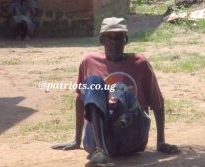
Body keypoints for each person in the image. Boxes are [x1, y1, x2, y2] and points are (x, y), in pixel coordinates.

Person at [51, 17, 180, 166]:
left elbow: (158, 103)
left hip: (131, 137)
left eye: (119, 38)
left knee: (125, 95)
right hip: (100, 136)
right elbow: (81, 100)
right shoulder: (88, 61)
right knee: (93, 82)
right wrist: (77, 140)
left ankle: (105, 147)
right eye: (109, 38)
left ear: (126, 40)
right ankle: (101, 151)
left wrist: (161, 142)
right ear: (101, 40)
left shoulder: (140, 63)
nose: (114, 43)